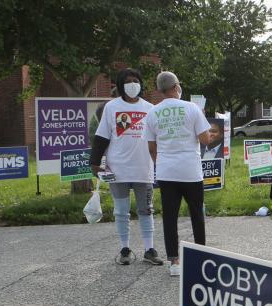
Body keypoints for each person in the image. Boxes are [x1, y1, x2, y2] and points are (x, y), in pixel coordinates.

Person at [89, 68, 162, 266]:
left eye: (136, 80)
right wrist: (95, 163)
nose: (132, 84)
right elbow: (102, 136)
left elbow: (159, 138)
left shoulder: (150, 108)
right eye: (128, 81)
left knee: (146, 210)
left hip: (143, 169)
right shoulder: (111, 107)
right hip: (118, 170)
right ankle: (125, 249)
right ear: (120, 85)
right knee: (121, 212)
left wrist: (162, 162)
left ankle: (149, 249)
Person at [145, 71, 212, 277]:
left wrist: (162, 162)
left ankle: (174, 261)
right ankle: (201, 258)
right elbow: (205, 139)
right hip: (191, 171)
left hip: (167, 171)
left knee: (170, 217)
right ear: (176, 87)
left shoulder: (153, 113)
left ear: (160, 90)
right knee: (196, 215)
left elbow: (151, 147)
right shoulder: (192, 108)